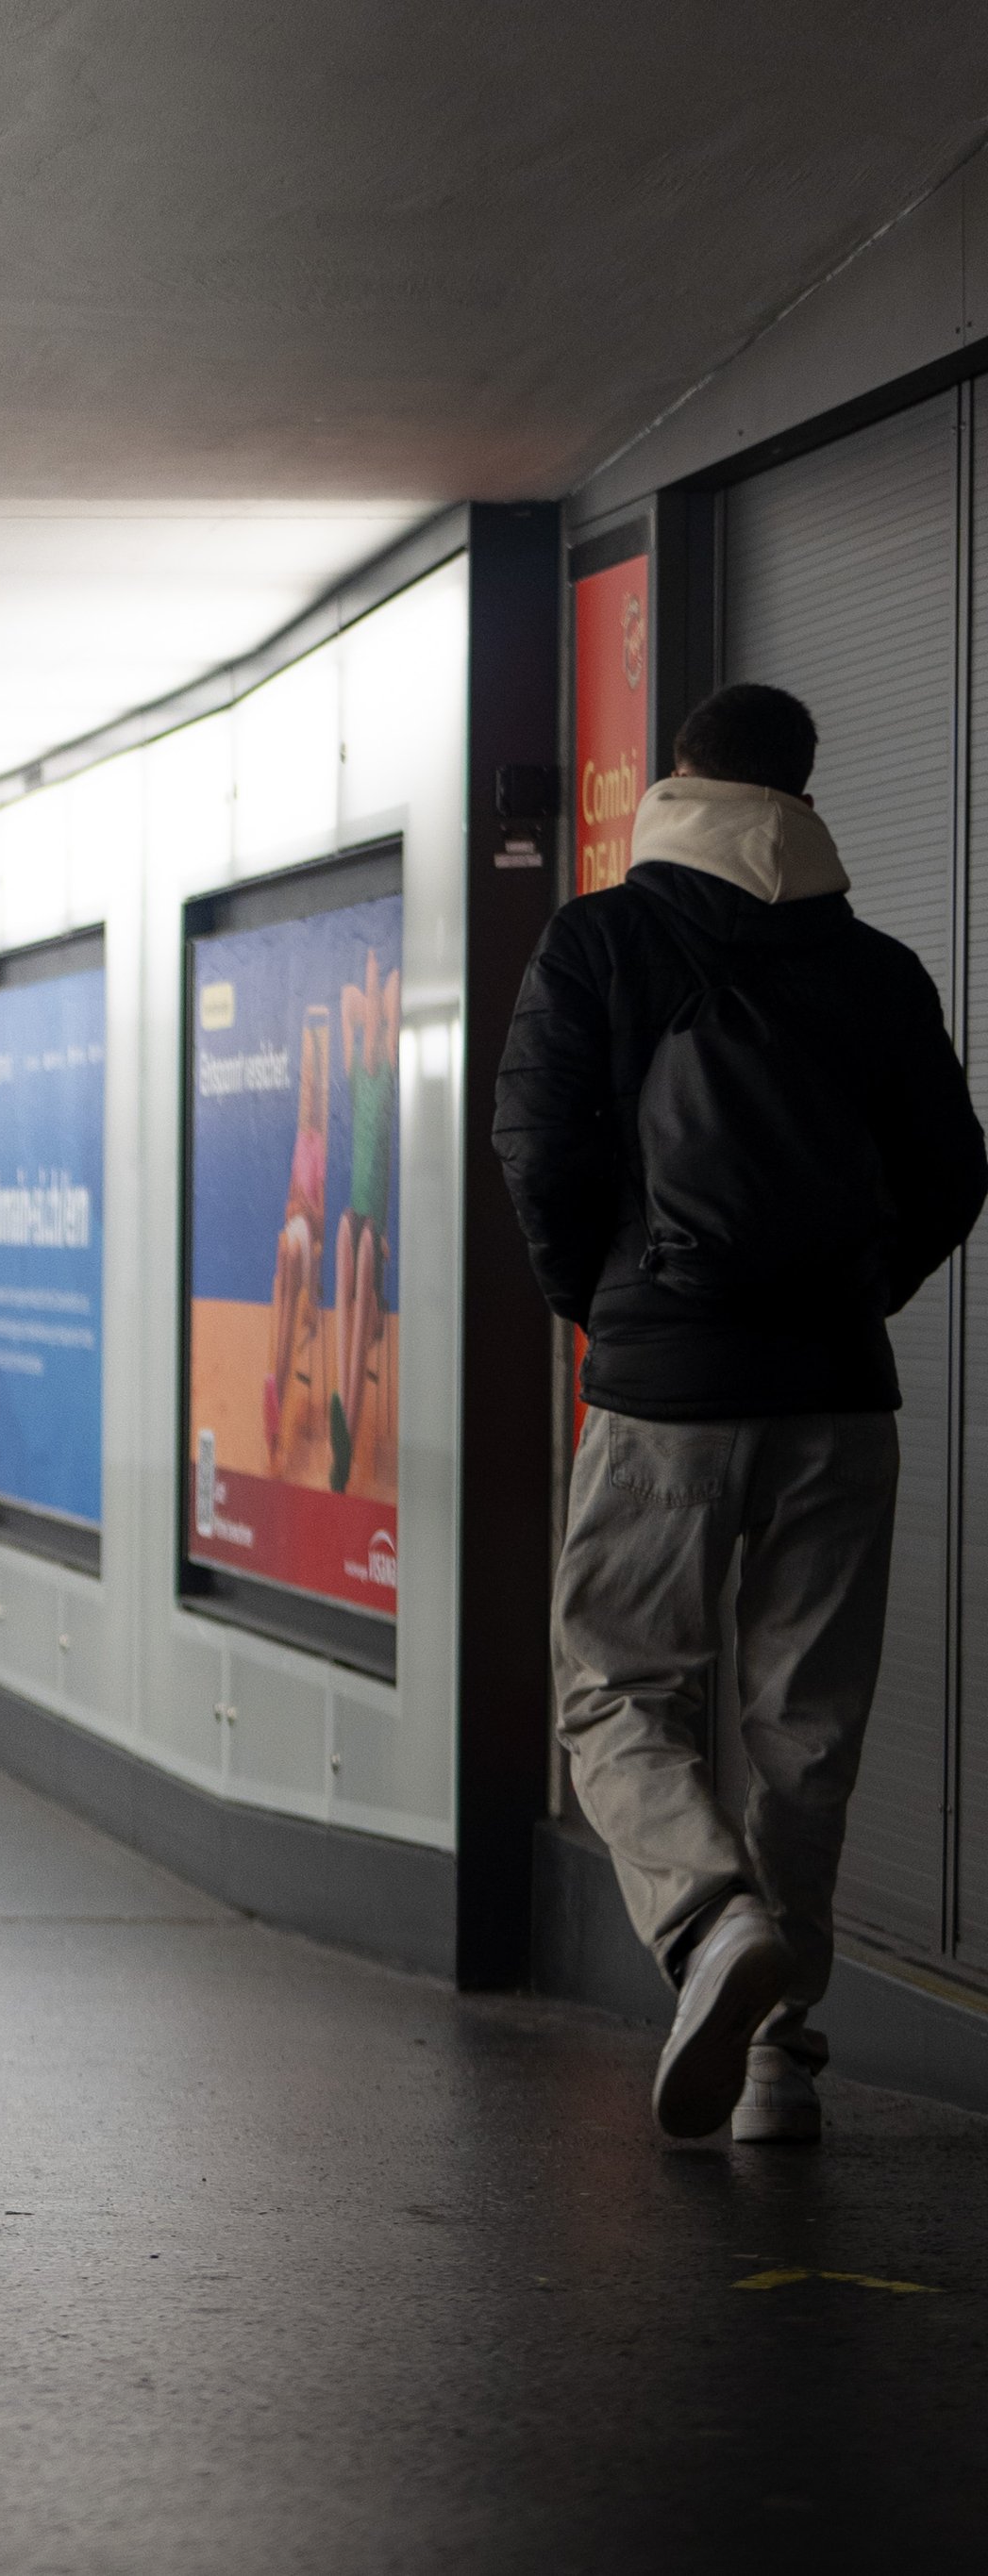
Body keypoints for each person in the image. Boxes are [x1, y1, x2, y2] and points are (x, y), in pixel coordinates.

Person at [495, 682, 986, 2144]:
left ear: (681, 779)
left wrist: (610, 1301)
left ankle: (709, 1920)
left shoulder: (602, 937)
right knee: (803, 1728)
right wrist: (855, 1291)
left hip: (664, 1389)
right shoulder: (878, 968)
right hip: (839, 1394)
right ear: (804, 792)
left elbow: (537, 1143)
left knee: (613, 1685)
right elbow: (957, 1167)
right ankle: (780, 2059)